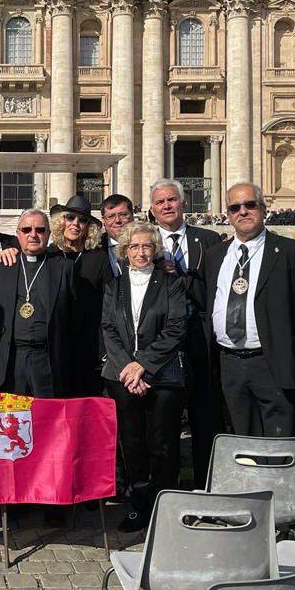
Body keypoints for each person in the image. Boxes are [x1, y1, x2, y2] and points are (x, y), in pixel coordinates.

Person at [203, 183, 295, 437]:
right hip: (230, 363)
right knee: (241, 438)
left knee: (281, 439)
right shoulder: (215, 254)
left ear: (263, 208)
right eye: (235, 207)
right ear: (228, 214)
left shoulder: (291, 251)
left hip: (273, 362)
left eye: (250, 205)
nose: (243, 211)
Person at [101, 221, 187, 533]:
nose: (141, 252)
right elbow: (109, 328)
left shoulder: (170, 282)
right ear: (124, 250)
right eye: (135, 246)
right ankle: (139, 505)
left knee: (163, 444)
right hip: (122, 376)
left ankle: (163, 507)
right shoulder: (115, 284)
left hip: (162, 375)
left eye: (147, 246)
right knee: (132, 443)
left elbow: (176, 326)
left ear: (155, 249)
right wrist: (128, 367)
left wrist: (144, 366)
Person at [149, 179, 223, 486]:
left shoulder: (209, 240)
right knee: (163, 424)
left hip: (201, 339)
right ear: (152, 210)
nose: (166, 206)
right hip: (162, 343)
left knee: (205, 418)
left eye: (172, 200)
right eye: (160, 202)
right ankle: (165, 491)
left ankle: (206, 485)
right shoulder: (145, 241)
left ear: (184, 203)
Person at [0, 209, 74, 397]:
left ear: (48, 234)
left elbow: (73, 315)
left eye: (40, 230)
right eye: (26, 229)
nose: (33, 234)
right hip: (11, 360)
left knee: (46, 420)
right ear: (18, 234)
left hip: (47, 360)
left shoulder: (63, 267)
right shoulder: (3, 265)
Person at [48, 195, 110, 396]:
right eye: (70, 218)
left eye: (82, 220)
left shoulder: (99, 258)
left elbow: (107, 301)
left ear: (89, 227)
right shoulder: (49, 254)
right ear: (61, 221)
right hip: (54, 342)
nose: (75, 224)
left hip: (88, 342)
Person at [100, 194, 135, 278]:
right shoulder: (93, 250)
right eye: (110, 216)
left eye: (123, 215)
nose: (117, 220)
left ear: (132, 216)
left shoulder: (149, 245)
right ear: (103, 220)